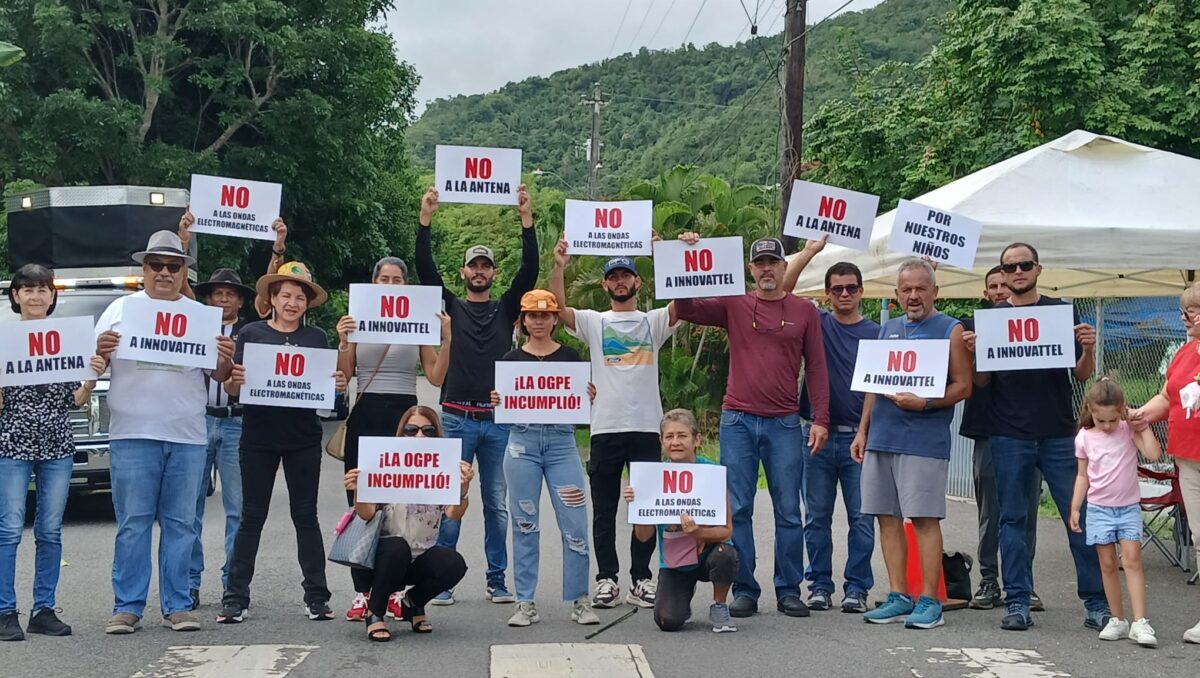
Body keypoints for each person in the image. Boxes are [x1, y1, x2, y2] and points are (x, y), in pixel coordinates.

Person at [674, 233, 831, 619]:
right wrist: (683, 259)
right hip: (738, 420)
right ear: (750, 269)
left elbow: (816, 367)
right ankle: (745, 588)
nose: (766, 269)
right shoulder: (734, 303)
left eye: (772, 263)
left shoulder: (805, 311)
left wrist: (821, 419)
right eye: (759, 263)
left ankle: (789, 589)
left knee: (789, 510)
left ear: (783, 267)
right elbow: (688, 308)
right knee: (739, 507)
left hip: (784, 422)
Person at [94, 231, 236, 634]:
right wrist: (101, 350)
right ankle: (128, 607)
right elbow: (94, 366)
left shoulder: (200, 316)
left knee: (181, 524)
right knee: (133, 522)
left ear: (183, 271)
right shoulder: (119, 310)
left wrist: (225, 360)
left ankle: (178, 605)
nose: (164, 272)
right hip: (132, 432)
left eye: (173, 266)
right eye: (156, 265)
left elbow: (220, 378)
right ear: (143, 270)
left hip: (188, 435)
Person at [965, 242, 1107, 632]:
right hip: (1008, 434)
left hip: (1059, 432)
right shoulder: (989, 319)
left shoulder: (1062, 312)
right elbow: (980, 381)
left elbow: (1080, 375)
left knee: (1077, 517)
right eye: (1009, 267)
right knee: (1012, 519)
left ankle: (1096, 602)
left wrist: (1089, 350)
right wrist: (974, 354)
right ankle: (1017, 602)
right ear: (1003, 274)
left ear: (1038, 269)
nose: (1017, 272)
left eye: (1024, 264)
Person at [415, 185, 538, 605]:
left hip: (498, 421)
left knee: (496, 504)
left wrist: (527, 223)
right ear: (464, 272)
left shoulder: (507, 308)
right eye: (474, 266)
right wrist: (425, 221)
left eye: (486, 265)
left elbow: (530, 273)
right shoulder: (448, 305)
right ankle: (442, 580)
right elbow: (425, 271)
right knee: (450, 500)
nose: (480, 271)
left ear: (493, 273)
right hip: (454, 418)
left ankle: (496, 580)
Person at [550, 237, 677, 610]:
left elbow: (684, 302)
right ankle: (607, 579)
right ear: (605, 285)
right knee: (604, 509)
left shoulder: (653, 321)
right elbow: (559, 309)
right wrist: (559, 266)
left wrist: (667, 253)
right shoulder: (594, 321)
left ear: (638, 282)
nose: (620, 281)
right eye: (614, 277)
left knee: (646, 509)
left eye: (627, 275)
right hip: (605, 427)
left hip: (646, 428)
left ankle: (642, 579)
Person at [216, 262, 347, 624]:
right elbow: (232, 389)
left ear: (307, 304)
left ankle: (317, 597)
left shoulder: (316, 339)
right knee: (251, 518)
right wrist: (234, 380)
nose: (292, 302)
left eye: (299, 297)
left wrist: (336, 384)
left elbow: (328, 390)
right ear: (272, 298)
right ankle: (235, 597)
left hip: (303, 439)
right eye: (285, 295)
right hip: (258, 437)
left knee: (306, 517)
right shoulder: (252, 334)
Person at [178, 207, 288, 610]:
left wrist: (277, 250)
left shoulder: (252, 329)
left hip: (238, 423)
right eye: (217, 293)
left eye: (230, 294)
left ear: (241, 300)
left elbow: (268, 295)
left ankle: (232, 580)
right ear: (208, 298)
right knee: (188, 508)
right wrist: (184, 240)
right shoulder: (195, 321)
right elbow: (182, 286)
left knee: (238, 509)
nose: (223, 298)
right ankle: (189, 582)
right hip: (197, 419)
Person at [852, 258, 971, 630]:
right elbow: (874, 384)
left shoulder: (950, 329)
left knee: (922, 518)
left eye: (921, 288)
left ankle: (929, 601)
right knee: (885, 518)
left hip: (923, 440)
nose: (914, 295)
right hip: (882, 438)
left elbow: (963, 385)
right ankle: (899, 595)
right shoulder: (886, 329)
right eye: (907, 289)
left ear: (935, 291)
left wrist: (925, 403)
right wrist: (862, 430)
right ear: (897, 294)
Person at [335, 256, 452, 622]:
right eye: (383, 278)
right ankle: (363, 592)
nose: (390, 284)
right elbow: (345, 374)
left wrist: (445, 337)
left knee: (403, 503)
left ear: (405, 285)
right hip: (367, 411)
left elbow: (434, 376)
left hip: (404, 416)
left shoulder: (418, 320)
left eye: (397, 279)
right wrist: (342, 341)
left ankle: (393, 590)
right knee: (363, 504)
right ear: (374, 282)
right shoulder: (358, 320)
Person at [0, 265, 104, 641]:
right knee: (9, 529)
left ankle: (43, 609)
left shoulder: (65, 340)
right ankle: (4, 611)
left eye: (43, 289)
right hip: (12, 443)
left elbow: (74, 399)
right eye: (27, 289)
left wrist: (92, 376)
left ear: (52, 296)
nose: (36, 295)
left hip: (57, 446)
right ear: (16, 296)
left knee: (49, 530)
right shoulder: (4, 340)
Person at [488, 289, 598, 627]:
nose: (539, 321)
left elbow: (581, 407)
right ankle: (525, 601)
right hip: (521, 444)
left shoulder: (570, 357)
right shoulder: (510, 361)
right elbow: (504, 403)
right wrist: (497, 400)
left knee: (575, 524)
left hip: (562, 443)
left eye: (545, 315)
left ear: (554, 319)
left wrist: (589, 396)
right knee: (525, 525)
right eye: (532, 315)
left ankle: (580, 599)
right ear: (523, 320)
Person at [792, 259, 879, 614]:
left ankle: (856, 588)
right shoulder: (816, 323)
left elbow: (876, 386)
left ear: (861, 292)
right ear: (826, 295)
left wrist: (864, 431)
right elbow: (782, 289)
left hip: (859, 439)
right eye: (837, 288)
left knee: (862, 518)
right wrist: (811, 251)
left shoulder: (877, 333)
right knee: (816, 517)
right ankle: (820, 585)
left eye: (852, 288)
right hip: (816, 434)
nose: (845, 294)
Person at [342, 406, 471, 642]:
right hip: (380, 559)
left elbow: (454, 514)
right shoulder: (383, 462)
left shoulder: (442, 467)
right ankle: (375, 612)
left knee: (454, 563)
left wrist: (462, 489)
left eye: (428, 431)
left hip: (420, 556)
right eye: (412, 430)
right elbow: (366, 514)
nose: (420, 436)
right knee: (397, 547)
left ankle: (412, 603)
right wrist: (358, 490)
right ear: (401, 434)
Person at [959, 266, 1042, 611]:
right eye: (991, 285)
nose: (998, 289)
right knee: (991, 511)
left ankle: (1023, 583)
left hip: (1030, 431)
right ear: (985, 292)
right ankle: (989, 580)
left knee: (1026, 510)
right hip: (988, 430)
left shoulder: (1036, 325)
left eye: (1002, 284)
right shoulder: (970, 327)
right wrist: (973, 350)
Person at [623, 409, 737, 633]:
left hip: (709, 555)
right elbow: (643, 537)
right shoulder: (650, 477)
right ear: (661, 441)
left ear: (697, 440)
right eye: (669, 436)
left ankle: (719, 605)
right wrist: (636, 507)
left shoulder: (712, 473)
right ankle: (682, 598)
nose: (675, 442)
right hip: (675, 562)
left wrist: (698, 533)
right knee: (667, 621)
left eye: (682, 436)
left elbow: (726, 531)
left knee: (726, 554)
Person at [1129, 283, 1200, 644]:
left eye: (1194, 310)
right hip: (1188, 455)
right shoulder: (1185, 351)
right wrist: (1140, 415)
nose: (1187, 317)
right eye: (1186, 310)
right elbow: (1167, 396)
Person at [1069, 378, 1161, 647]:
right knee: (1107, 564)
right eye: (1102, 421)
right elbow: (1083, 475)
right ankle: (1118, 619)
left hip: (1128, 507)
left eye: (1112, 420)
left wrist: (1139, 424)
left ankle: (1140, 621)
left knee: (1132, 560)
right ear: (1091, 411)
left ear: (1121, 410)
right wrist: (1075, 507)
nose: (1108, 426)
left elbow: (1154, 454)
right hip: (1099, 508)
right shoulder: (1085, 437)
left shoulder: (1127, 430)